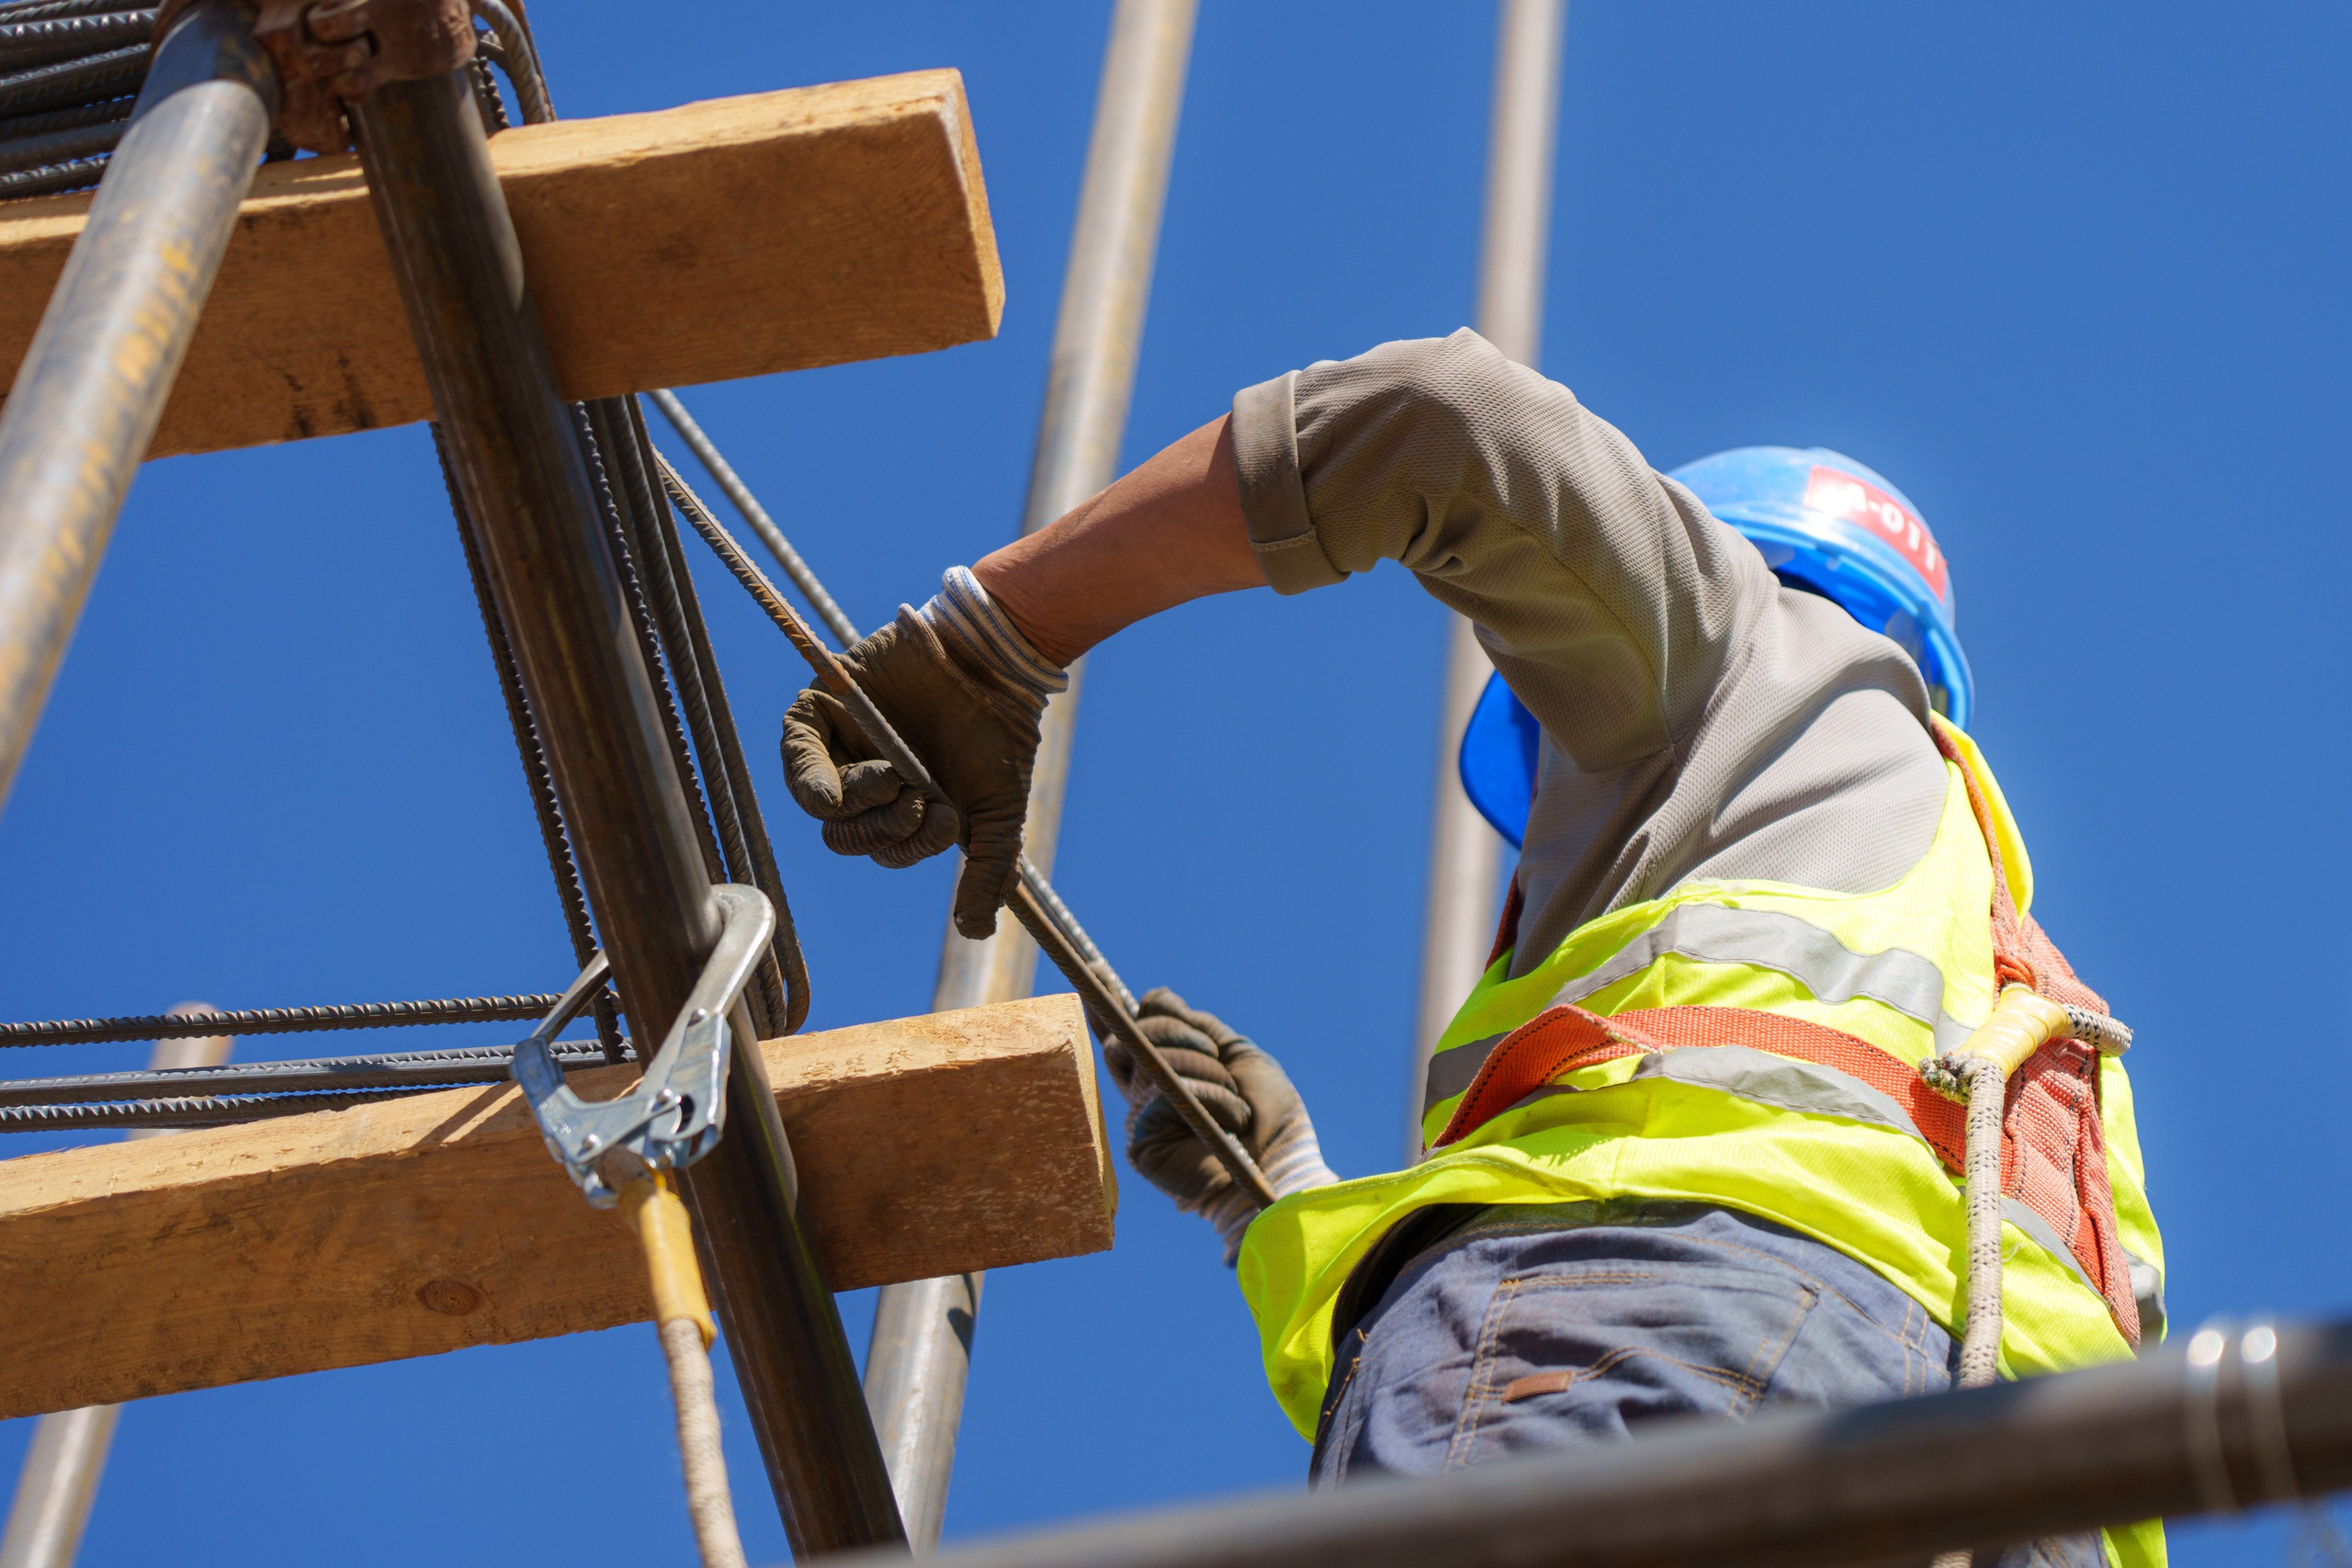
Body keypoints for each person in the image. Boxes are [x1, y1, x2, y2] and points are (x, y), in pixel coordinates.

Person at [778, 330, 2163, 1568]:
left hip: (1671, 1333)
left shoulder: (1746, 653)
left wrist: (990, 644)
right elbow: (1835, 1288)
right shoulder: (2039, 1030)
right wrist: (1280, 1195)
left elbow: (1444, 418)